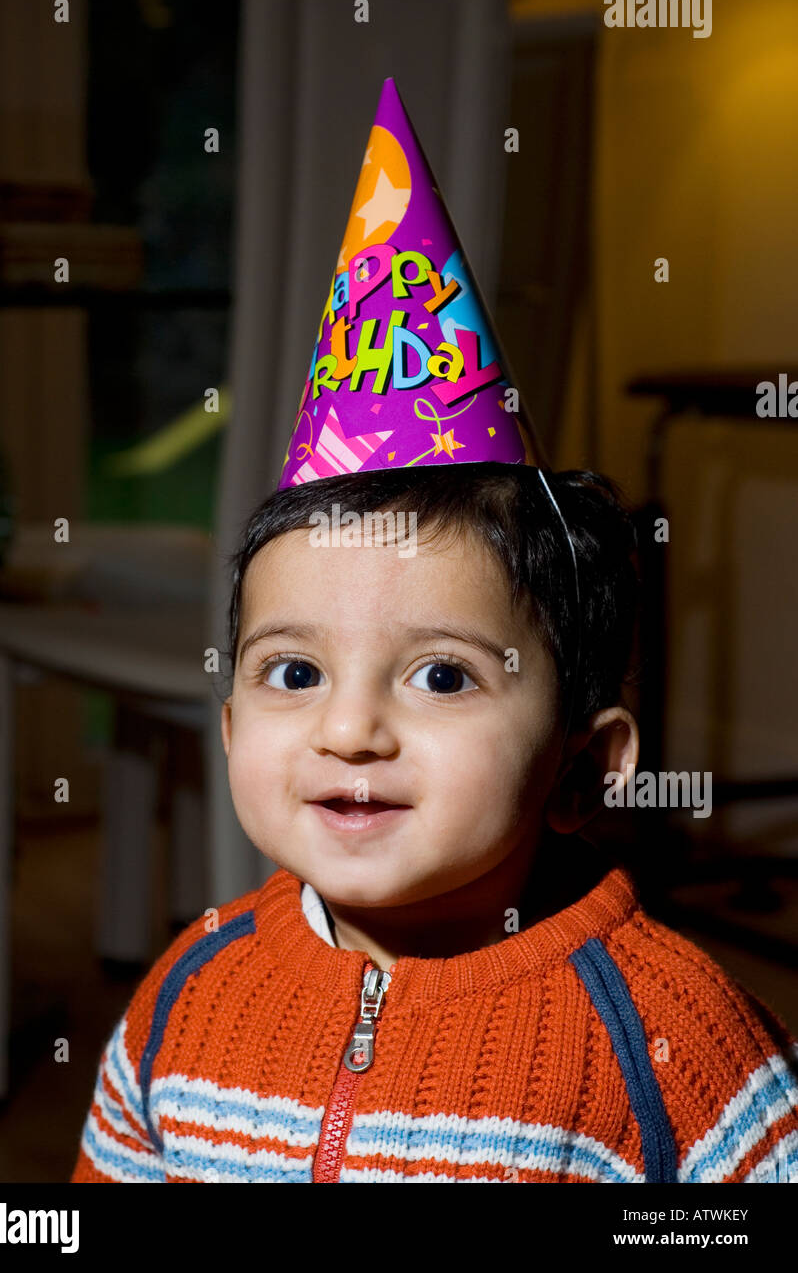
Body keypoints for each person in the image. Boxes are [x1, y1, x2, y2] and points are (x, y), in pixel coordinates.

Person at [71, 79, 798, 1183]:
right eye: (297, 669)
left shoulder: (676, 1050)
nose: (349, 727)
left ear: (584, 765)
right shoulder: (186, 996)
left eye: (445, 677)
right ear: (227, 729)